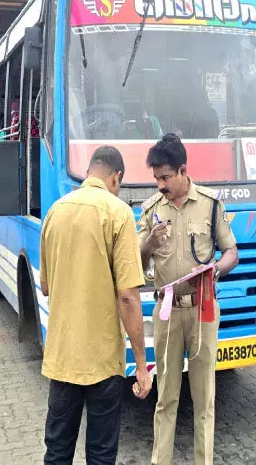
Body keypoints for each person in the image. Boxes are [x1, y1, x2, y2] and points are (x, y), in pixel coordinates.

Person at [39, 145, 151, 464]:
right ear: (116, 178)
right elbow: (128, 296)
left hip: (61, 357)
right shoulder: (118, 213)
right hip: (102, 361)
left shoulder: (55, 211)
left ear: (88, 173)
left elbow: (46, 286)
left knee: (58, 449)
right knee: (101, 453)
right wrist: (141, 365)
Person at [138, 134, 239, 465]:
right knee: (166, 397)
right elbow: (138, 264)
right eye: (156, 178)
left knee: (204, 399)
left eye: (165, 177)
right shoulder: (152, 210)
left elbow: (232, 252)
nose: (160, 185)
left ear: (183, 171)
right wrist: (149, 243)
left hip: (203, 311)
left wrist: (216, 271)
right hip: (167, 312)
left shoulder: (210, 204)